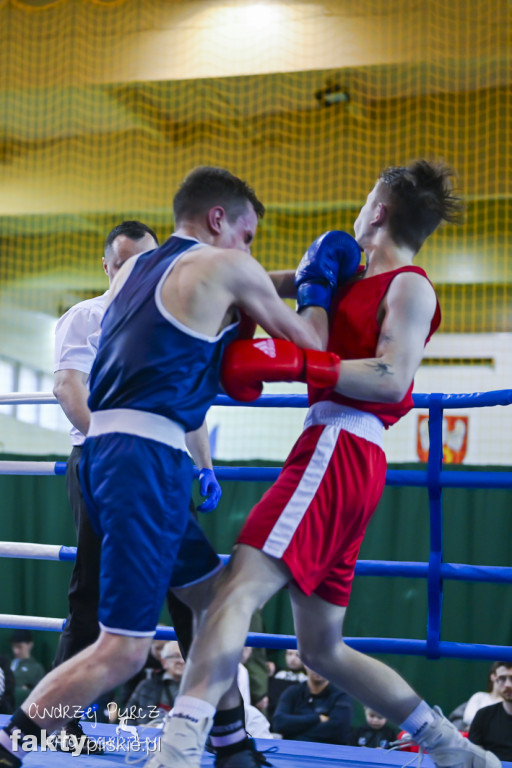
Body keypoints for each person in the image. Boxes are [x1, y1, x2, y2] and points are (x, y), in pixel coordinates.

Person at [154, 160, 499, 768]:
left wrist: (298, 365)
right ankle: (452, 750)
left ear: (380, 212)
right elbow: (260, 283)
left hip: (339, 447)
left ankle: (180, 747)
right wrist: (298, 277)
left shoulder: (410, 286)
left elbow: (393, 380)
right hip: (340, 455)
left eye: (367, 199)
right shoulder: (346, 272)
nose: (359, 210)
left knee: (233, 594)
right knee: (321, 649)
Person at [0, 165, 336, 768]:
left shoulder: (138, 267)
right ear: (218, 220)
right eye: (248, 234)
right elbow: (313, 340)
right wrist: (319, 288)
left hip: (107, 455)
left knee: (212, 603)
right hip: (146, 461)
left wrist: (302, 272)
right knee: (125, 651)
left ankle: (232, 745)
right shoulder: (223, 264)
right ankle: (11, 739)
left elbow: (248, 277)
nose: (248, 249)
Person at [52, 220, 221, 749]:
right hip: (106, 462)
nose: (135, 269)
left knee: (194, 596)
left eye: (145, 259)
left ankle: (203, 725)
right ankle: (57, 723)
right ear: (107, 265)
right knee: (92, 596)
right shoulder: (88, 317)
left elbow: (184, 402)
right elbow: (66, 386)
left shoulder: (170, 319)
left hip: (164, 465)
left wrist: (206, 464)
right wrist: (109, 444)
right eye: (124, 260)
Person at [272, 666, 352, 745]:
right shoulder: (292, 692)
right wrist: (317, 718)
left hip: (328, 752)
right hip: (294, 749)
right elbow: (279, 723)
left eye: (323, 664)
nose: (318, 668)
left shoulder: (341, 696)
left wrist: (293, 730)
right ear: (305, 665)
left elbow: (339, 730)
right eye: (314, 663)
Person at [123, 641, 185, 727]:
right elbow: (127, 716)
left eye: (184, 656)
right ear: (164, 662)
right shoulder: (147, 685)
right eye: (175, 656)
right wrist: (137, 730)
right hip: (145, 735)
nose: (181, 661)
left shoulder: (197, 688)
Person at [468, 662, 512, 762]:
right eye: (502, 678)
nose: (508, 684)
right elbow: (473, 753)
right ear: (495, 679)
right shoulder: (483, 715)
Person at [267, 649, 307, 718]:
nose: (293, 658)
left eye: (297, 655)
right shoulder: (279, 676)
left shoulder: (306, 679)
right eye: (289, 654)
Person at [463, 662, 505, 728]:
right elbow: (468, 719)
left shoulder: (508, 703)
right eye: (502, 677)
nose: (507, 683)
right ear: (493, 676)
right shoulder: (479, 696)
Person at [9, 631, 45, 710]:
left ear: (30, 645)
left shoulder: (36, 668)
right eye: (14, 646)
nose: (16, 651)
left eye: (19, 647)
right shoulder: (7, 664)